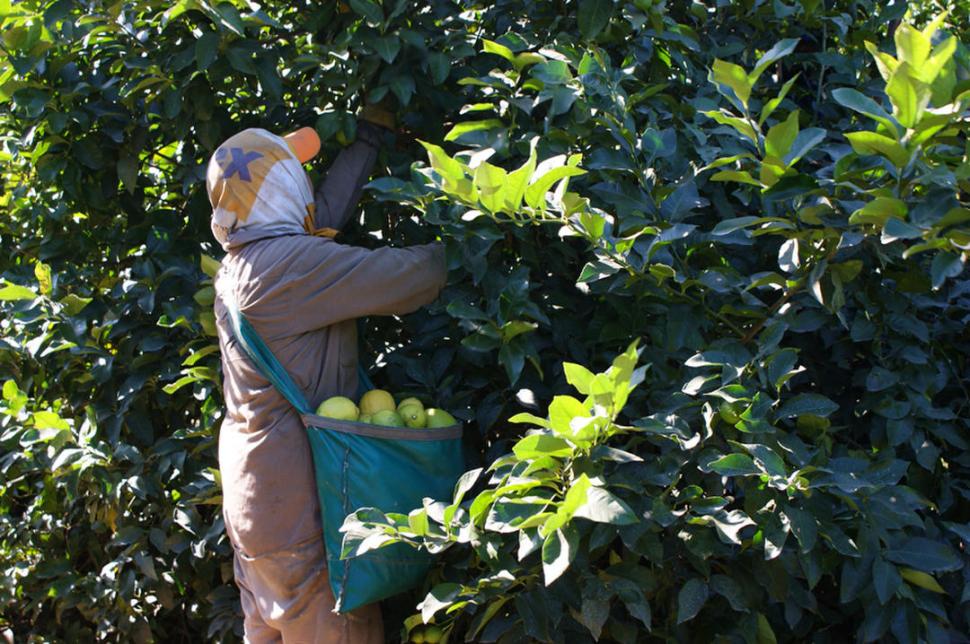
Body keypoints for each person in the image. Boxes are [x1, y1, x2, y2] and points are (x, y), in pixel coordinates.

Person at [206, 104, 447, 643]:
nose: (308, 185)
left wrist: (367, 140)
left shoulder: (243, 264)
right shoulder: (288, 269)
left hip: (255, 503)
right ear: (283, 193)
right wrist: (482, 229)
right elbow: (410, 277)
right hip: (302, 514)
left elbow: (320, 222)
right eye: (297, 175)